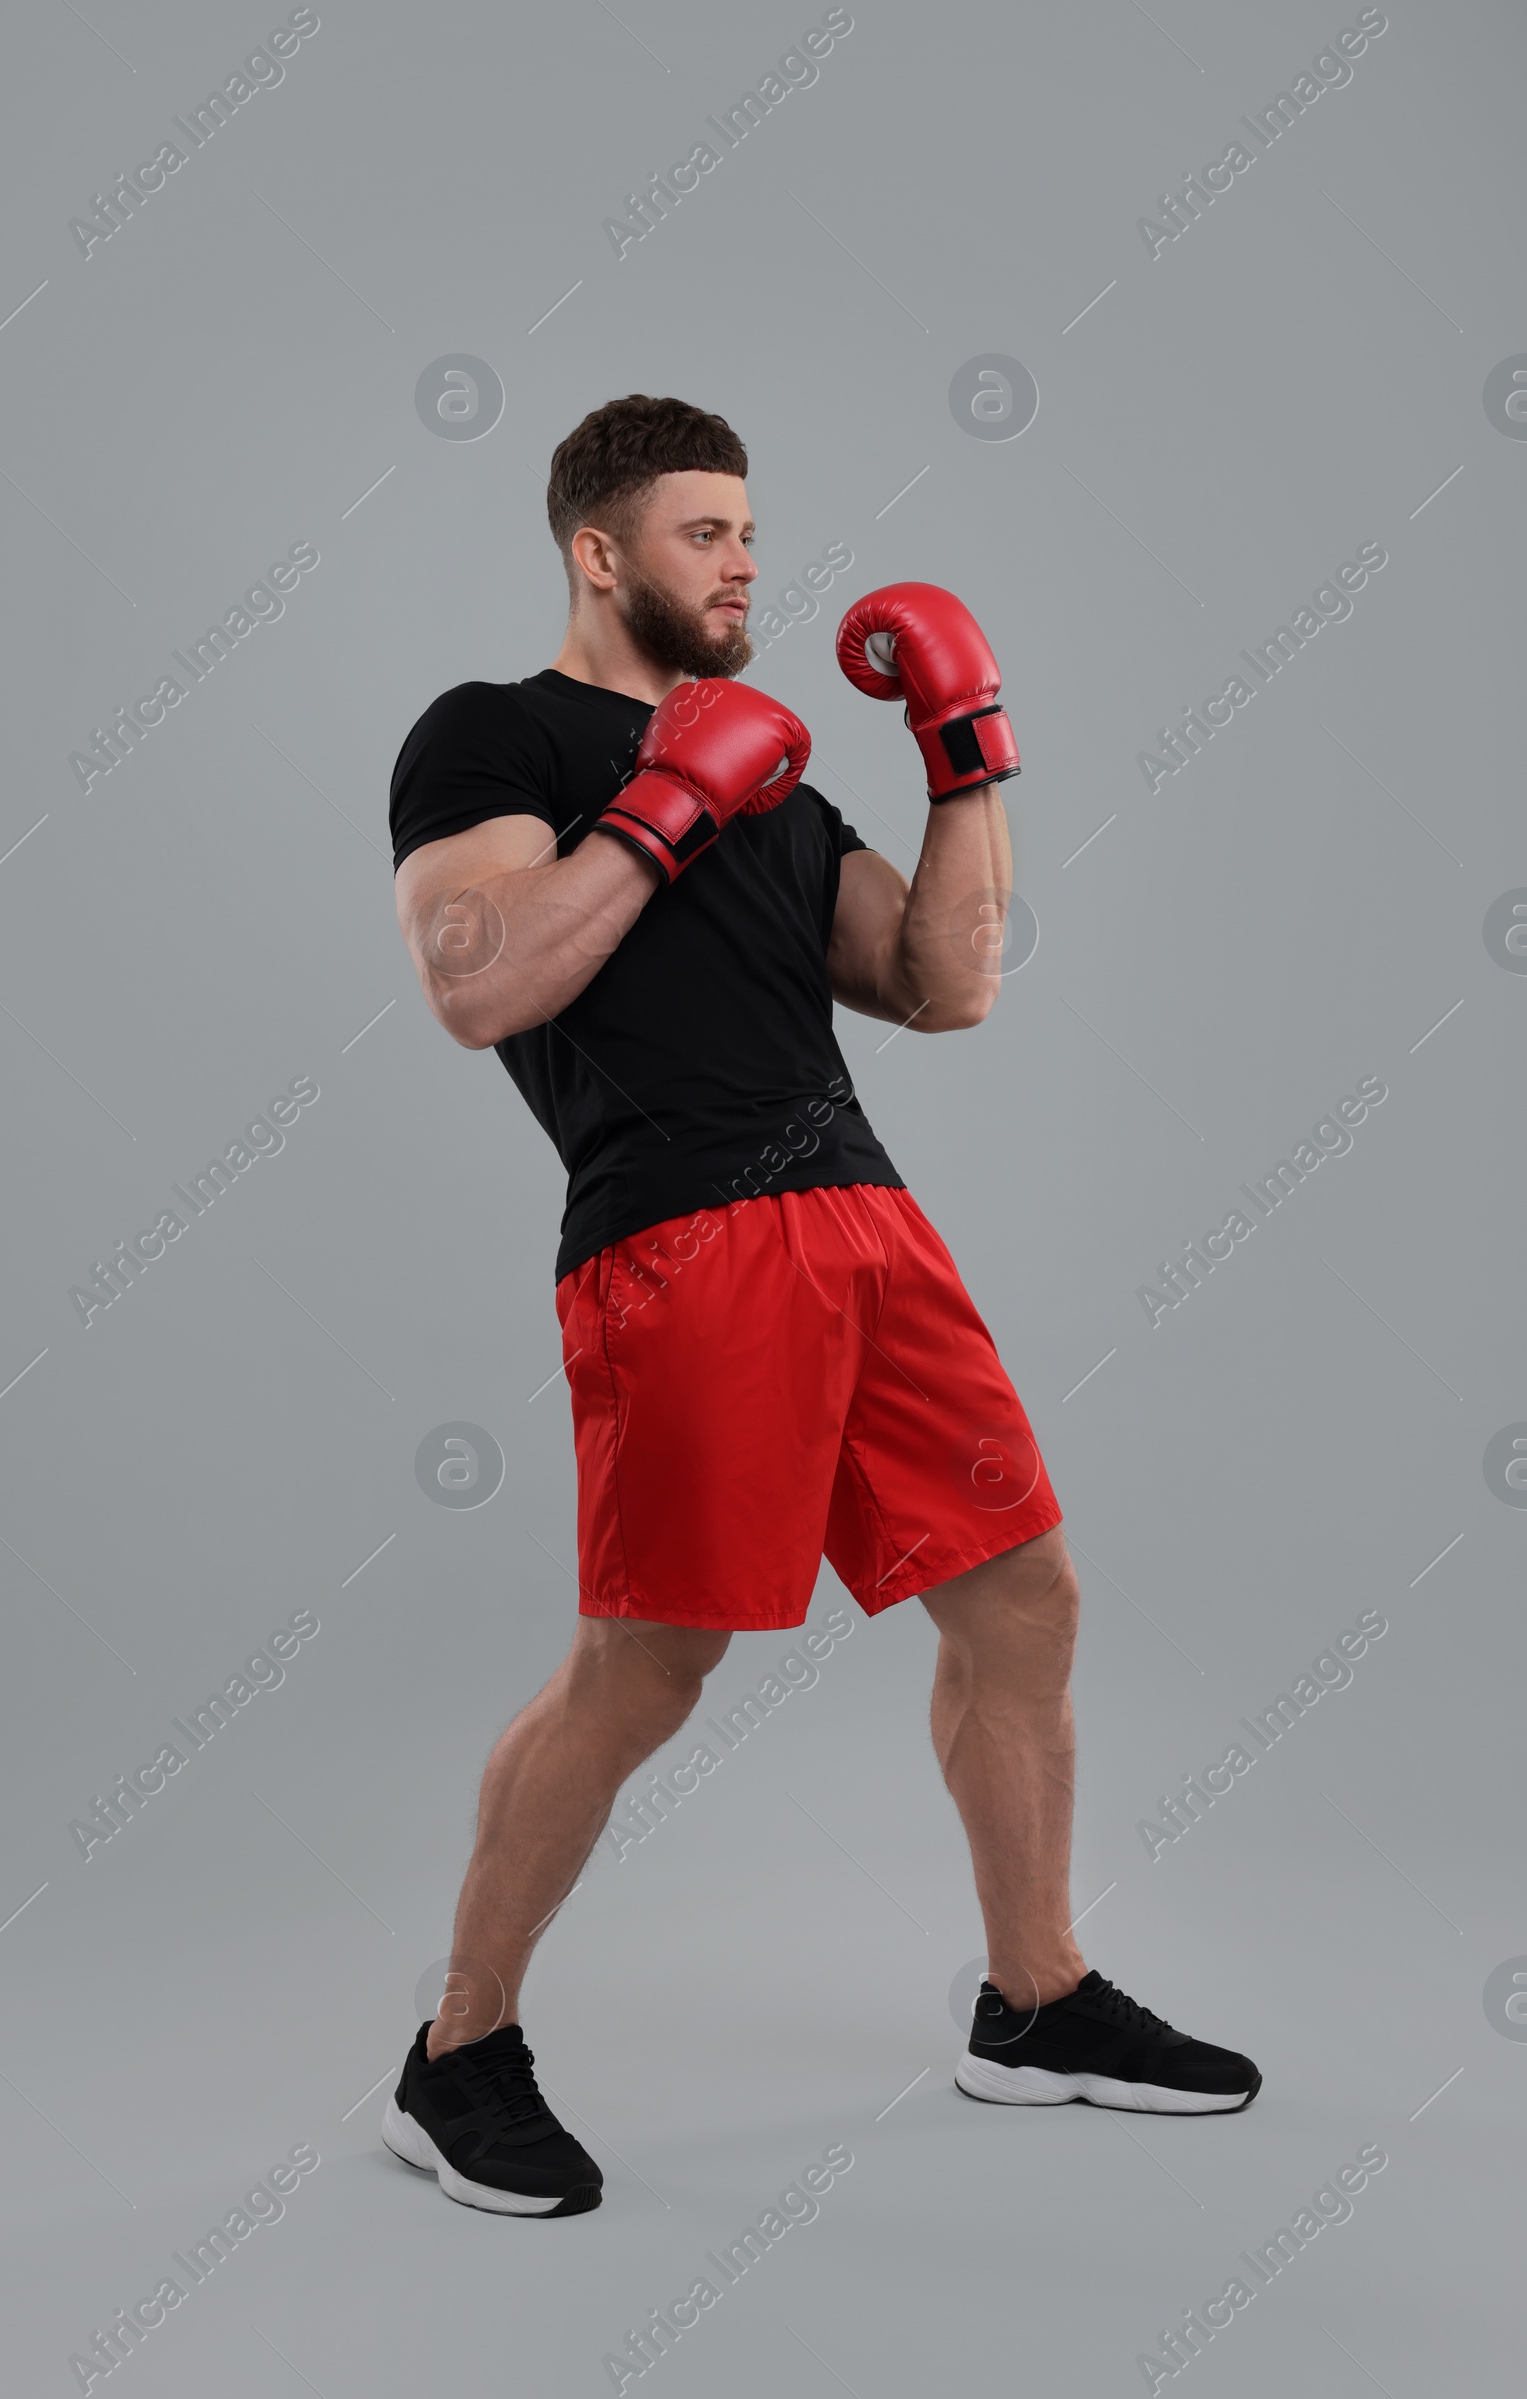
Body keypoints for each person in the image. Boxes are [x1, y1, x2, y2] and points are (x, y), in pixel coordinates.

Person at [379, 394, 1260, 2220]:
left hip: (864, 1221)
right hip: (679, 1240)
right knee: (651, 1660)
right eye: (709, 534)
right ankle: (458, 2051)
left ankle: (1039, 2005)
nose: (749, 565)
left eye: (754, 535)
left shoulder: (773, 768)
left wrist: (966, 752)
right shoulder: (493, 734)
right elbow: (480, 983)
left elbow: (942, 987)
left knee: (1023, 1594)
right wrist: (662, 801)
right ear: (600, 552)